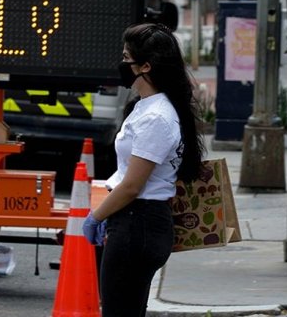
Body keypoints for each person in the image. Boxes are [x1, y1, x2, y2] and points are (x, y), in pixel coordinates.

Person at [83, 22, 205, 316]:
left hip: (138, 224)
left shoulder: (156, 118)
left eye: (127, 58)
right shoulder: (149, 107)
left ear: (145, 66)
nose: (122, 64)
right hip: (139, 224)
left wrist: (95, 216)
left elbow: (132, 186)